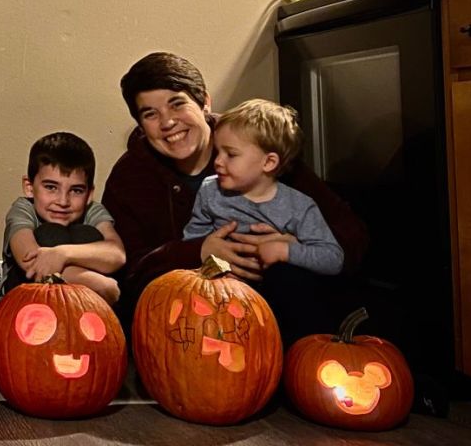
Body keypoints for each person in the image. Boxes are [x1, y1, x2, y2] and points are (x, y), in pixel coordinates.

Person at [102, 52, 368, 343]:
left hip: (285, 314)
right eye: (150, 114)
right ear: (141, 125)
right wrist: (198, 251)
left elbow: (351, 235)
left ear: (205, 102)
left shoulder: (256, 147)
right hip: (190, 328)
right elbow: (126, 278)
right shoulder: (129, 178)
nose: (167, 122)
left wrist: (296, 247)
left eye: (177, 104)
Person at [183, 99, 343, 276]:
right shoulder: (210, 190)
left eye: (231, 154)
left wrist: (285, 251)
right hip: (222, 285)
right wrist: (207, 255)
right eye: (218, 151)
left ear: (268, 162)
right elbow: (192, 239)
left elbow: (332, 258)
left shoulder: (299, 206)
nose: (218, 161)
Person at [2, 132, 126, 304]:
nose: (63, 201)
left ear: (89, 194)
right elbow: (30, 262)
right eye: (51, 187)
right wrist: (97, 284)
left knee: (86, 234)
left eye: (76, 190)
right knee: (49, 233)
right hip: (23, 307)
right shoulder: (23, 209)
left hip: (83, 308)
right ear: (29, 187)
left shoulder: (92, 211)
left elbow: (116, 254)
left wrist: (62, 254)